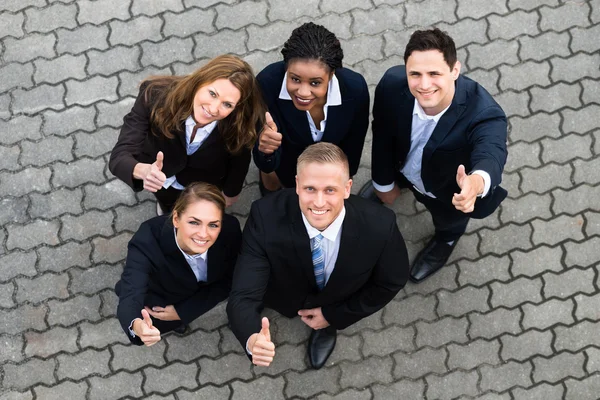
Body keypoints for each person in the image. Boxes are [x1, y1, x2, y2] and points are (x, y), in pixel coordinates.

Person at [227, 142, 409, 369]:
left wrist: (335, 315)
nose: (319, 202)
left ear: (347, 188)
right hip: (283, 294)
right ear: (296, 185)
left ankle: (325, 328)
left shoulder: (381, 226)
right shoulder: (264, 216)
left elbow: (391, 282)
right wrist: (250, 336)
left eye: (330, 190)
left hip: (337, 301)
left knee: (327, 320)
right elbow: (243, 296)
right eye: (310, 189)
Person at [362, 28, 508, 283]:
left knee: (449, 221)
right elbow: (383, 133)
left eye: (434, 74)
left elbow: (491, 153)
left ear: (454, 70)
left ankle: (447, 240)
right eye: (415, 74)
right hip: (402, 168)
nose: (424, 85)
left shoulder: (484, 113)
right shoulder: (392, 83)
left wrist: (475, 183)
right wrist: (383, 182)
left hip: (445, 191)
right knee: (384, 186)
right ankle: (393, 185)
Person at [109, 54, 265, 213]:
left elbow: (240, 160)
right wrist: (143, 171)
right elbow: (119, 157)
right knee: (168, 206)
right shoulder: (154, 94)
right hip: (163, 179)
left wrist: (231, 192)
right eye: (212, 94)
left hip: (205, 184)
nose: (213, 109)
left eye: (227, 104)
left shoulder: (242, 122)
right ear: (200, 81)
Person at [115, 182, 242, 346]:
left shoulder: (230, 229)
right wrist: (137, 326)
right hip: (161, 301)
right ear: (176, 219)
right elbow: (130, 294)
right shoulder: (147, 240)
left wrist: (185, 311)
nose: (203, 234)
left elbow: (233, 276)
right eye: (194, 222)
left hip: (194, 299)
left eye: (213, 224)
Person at [253, 22, 370, 195]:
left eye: (315, 83)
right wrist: (266, 153)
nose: (303, 92)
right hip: (285, 165)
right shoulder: (267, 84)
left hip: (328, 168)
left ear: (331, 75)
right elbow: (264, 150)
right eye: (295, 79)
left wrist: (344, 176)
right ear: (286, 69)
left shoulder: (355, 89)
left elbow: (354, 142)